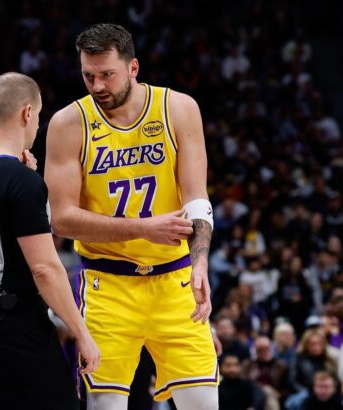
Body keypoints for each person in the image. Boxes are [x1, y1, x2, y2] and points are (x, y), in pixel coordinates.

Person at [44, 23, 218, 409]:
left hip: (176, 283)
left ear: (133, 67)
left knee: (205, 404)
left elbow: (196, 200)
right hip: (108, 286)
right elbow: (62, 219)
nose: (97, 85)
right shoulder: (67, 124)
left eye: (107, 74)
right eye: (88, 75)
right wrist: (143, 229)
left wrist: (201, 261)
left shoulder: (179, 108)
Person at [0, 72, 100, 409]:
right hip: (17, 330)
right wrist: (81, 334)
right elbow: (45, 269)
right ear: (27, 113)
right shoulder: (20, 181)